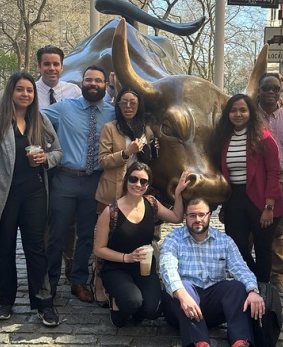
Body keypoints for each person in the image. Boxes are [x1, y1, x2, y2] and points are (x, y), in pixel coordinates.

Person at [0, 71, 63, 326]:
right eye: (20, 89)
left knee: (36, 248)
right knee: (4, 249)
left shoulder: (41, 119)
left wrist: (45, 158)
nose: (25, 94)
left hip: (34, 193)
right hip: (4, 194)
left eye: (29, 90)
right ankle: (5, 302)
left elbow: (58, 151)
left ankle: (43, 303)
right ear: (11, 91)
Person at [43, 65, 115, 303]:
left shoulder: (112, 113)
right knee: (57, 234)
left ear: (105, 85)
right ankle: (50, 282)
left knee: (86, 235)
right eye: (89, 80)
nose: (93, 84)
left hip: (94, 180)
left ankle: (79, 282)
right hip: (64, 178)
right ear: (81, 83)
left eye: (98, 80)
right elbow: (36, 118)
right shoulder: (64, 108)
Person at [159, 198, 265, 347]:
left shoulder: (224, 241)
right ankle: (199, 343)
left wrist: (253, 290)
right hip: (181, 307)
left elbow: (240, 268)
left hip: (213, 305)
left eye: (202, 214)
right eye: (192, 215)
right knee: (182, 285)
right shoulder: (173, 239)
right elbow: (167, 268)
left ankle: (240, 342)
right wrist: (182, 295)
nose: (197, 219)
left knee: (236, 287)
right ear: (185, 216)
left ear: (209, 215)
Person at [94, 163, 189, 327]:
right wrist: (126, 258)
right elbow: (99, 249)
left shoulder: (151, 203)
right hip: (116, 268)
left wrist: (178, 193)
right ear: (126, 180)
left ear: (148, 185)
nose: (138, 184)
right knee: (131, 305)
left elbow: (176, 217)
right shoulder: (111, 211)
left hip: (143, 268)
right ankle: (116, 300)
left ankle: (134, 301)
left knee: (153, 311)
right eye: (133, 179)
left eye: (143, 181)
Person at [209, 93, 283, 284]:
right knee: (237, 248)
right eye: (233, 110)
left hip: (261, 199)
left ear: (250, 112)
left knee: (263, 249)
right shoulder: (223, 139)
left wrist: (269, 207)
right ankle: (251, 283)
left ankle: (263, 290)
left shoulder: (264, 139)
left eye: (243, 110)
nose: (238, 114)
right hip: (235, 198)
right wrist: (224, 205)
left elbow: (273, 172)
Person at [94, 87, 157, 305]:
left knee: (134, 239)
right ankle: (99, 282)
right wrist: (126, 152)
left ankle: (131, 282)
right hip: (112, 193)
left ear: (139, 106)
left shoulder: (146, 130)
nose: (128, 106)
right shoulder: (110, 128)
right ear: (118, 105)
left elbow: (149, 163)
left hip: (138, 194)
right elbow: (102, 161)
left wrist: (154, 149)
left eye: (133, 102)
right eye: (123, 102)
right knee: (106, 240)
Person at [35, 45, 82, 283]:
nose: (51, 68)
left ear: (63, 67)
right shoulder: (29, 91)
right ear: (39, 66)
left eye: (56, 64)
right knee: (42, 217)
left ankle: (69, 264)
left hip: (65, 164)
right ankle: (44, 266)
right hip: (37, 164)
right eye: (47, 64)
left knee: (69, 219)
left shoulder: (73, 91)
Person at [254, 74, 283, 296]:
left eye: (275, 88)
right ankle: (251, 273)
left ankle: (277, 276)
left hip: (281, 177)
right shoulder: (250, 116)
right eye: (266, 88)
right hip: (255, 178)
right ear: (259, 90)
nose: (271, 92)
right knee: (253, 225)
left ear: (281, 90)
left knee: (278, 228)